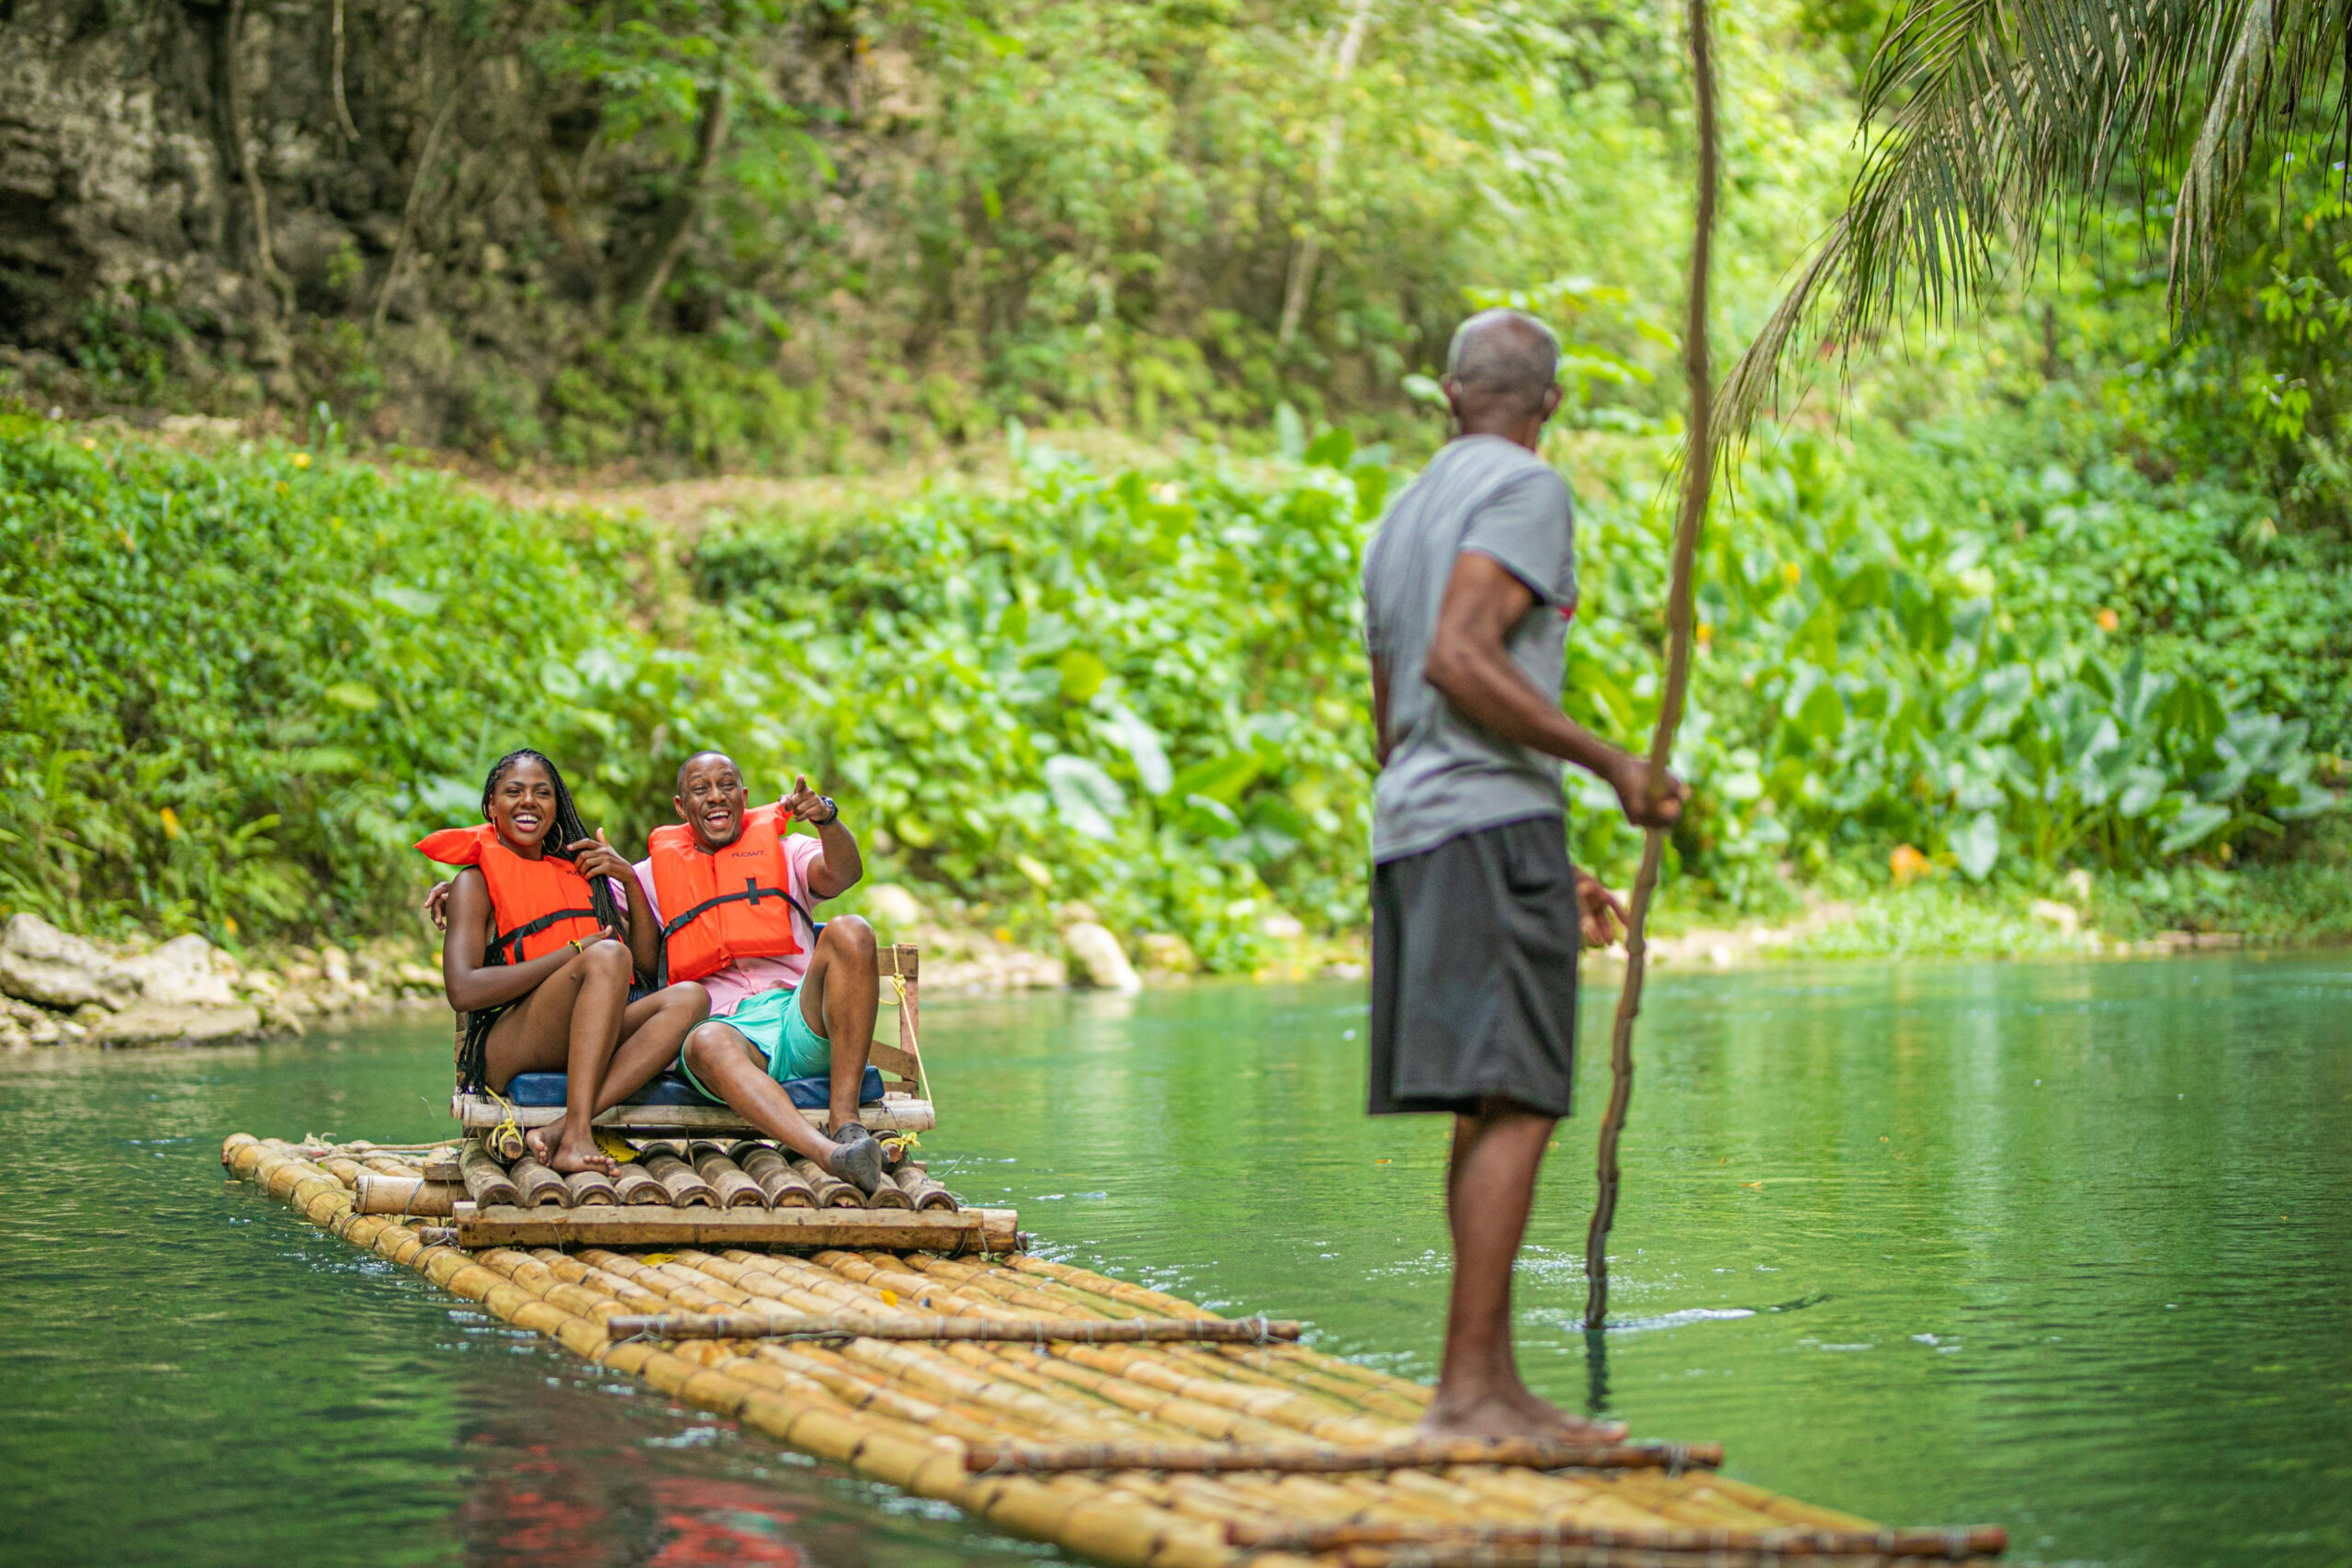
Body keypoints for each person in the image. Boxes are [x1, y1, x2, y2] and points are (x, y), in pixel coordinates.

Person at [1362, 308, 1686, 1440]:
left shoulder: (1401, 515)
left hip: (1419, 832)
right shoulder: (1529, 490)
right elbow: (1457, 659)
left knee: (1488, 1099)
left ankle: (1486, 1383)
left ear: (1447, 395)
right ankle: (1468, 1392)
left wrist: (1554, 860)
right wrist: (1610, 765)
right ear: (1550, 407)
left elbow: (1393, 734)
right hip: (1483, 831)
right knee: (1524, 1099)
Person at [418, 750, 709, 1177]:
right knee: (607, 954)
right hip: (509, 1044)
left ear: (557, 807)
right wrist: (573, 952)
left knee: (690, 999)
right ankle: (577, 1135)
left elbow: (645, 967)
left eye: (542, 793)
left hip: (587, 1037)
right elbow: (461, 990)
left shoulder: (580, 873)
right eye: (513, 792)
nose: (529, 802)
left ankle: (565, 1128)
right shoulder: (472, 883)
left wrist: (627, 879)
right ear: (491, 808)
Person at [641, 750, 890, 1195]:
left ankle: (846, 1124)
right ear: (682, 807)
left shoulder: (786, 850)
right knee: (704, 1042)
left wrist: (827, 819)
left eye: (727, 786)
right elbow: (599, 924)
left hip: (801, 1018)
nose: (716, 797)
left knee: (853, 929)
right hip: (727, 1035)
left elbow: (844, 874)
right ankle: (830, 1155)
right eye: (701, 789)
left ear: (745, 796)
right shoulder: (650, 877)